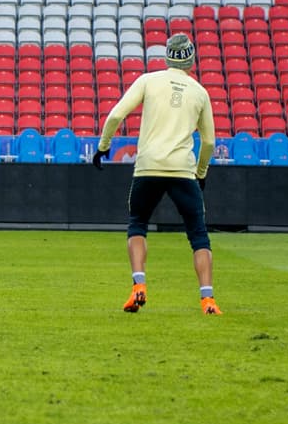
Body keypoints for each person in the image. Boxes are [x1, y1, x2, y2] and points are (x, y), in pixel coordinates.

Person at [93, 33, 220, 315]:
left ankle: (139, 285)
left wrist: (103, 147)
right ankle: (207, 300)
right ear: (191, 58)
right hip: (182, 170)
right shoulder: (200, 92)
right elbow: (209, 142)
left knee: (137, 224)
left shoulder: (148, 80)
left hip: (148, 167)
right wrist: (201, 173)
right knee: (199, 237)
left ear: (167, 57)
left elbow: (115, 115)